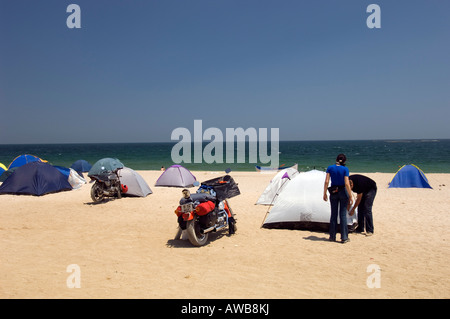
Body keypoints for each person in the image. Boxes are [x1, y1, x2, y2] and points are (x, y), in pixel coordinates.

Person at [323, 154, 353, 243]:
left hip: (333, 191)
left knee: (333, 214)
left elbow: (326, 181)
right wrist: (350, 195)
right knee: (343, 215)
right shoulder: (345, 169)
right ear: (344, 161)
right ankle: (344, 237)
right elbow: (347, 183)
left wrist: (324, 193)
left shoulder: (330, 168)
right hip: (342, 191)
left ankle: (332, 236)